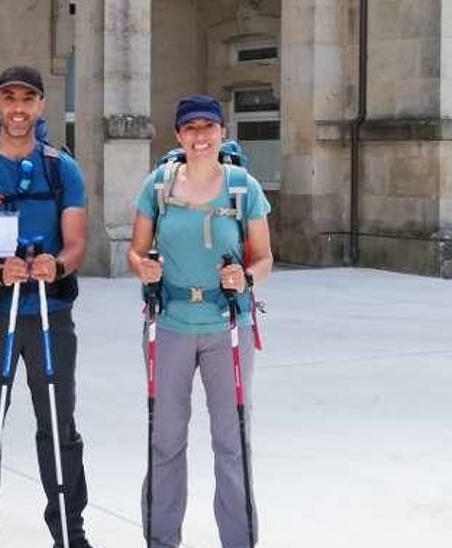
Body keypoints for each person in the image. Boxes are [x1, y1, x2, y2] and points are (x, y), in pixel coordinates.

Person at [0, 65, 97, 548]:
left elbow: (76, 244)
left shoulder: (62, 168)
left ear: (40, 106)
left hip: (50, 315)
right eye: (9, 98)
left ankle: (70, 533)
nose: (18, 108)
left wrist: (59, 265)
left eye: (27, 99)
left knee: (59, 426)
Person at [127, 94, 274, 548]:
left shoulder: (243, 187)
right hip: (170, 324)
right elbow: (135, 251)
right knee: (165, 441)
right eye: (190, 128)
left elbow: (266, 258)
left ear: (222, 133)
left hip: (226, 326)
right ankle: (162, 540)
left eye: (208, 127)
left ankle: (239, 542)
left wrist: (244, 277)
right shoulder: (158, 185)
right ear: (179, 135)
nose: (200, 136)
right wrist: (142, 266)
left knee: (231, 443)